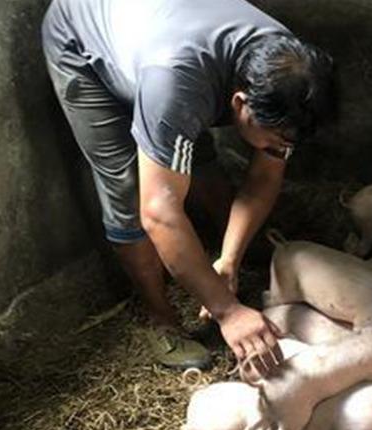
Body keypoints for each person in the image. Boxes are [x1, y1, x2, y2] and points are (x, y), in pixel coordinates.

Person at [41, 0, 336, 374]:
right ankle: (159, 316)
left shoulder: (291, 70)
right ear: (240, 104)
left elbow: (264, 174)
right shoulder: (177, 84)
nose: (282, 151)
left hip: (163, 45)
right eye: (277, 140)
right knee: (129, 187)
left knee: (194, 155)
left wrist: (229, 259)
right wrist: (227, 311)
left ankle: (219, 251)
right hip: (84, 45)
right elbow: (158, 213)